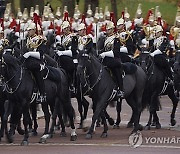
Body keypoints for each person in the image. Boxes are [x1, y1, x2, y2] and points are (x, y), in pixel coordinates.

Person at [20, 22, 47, 102]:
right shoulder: (28, 40)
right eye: (28, 30)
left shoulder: (40, 39)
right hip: (28, 62)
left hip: (38, 61)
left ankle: (42, 94)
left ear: (34, 30)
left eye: (29, 30)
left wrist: (29, 53)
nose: (28, 32)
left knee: (37, 73)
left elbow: (40, 54)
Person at [99, 21, 124, 98]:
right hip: (105, 59)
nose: (107, 31)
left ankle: (120, 89)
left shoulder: (116, 39)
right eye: (107, 30)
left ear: (113, 30)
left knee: (116, 70)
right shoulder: (105, 38)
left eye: (109, 30)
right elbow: (103, 49)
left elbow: (116, 52)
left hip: (114, 59)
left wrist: (104, 54)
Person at [55, 21, 78, 92]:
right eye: (63, 29)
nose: (64, 30)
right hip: (63, 56)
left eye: (66, 28)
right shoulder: (62, 37)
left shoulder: (73, 37)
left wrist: (61, 52)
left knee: (69, 65)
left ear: (68, 28)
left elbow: (73, 51)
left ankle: (72, 83)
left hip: (73, 56)